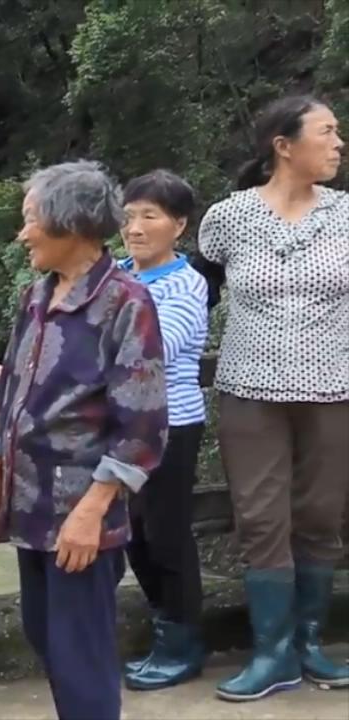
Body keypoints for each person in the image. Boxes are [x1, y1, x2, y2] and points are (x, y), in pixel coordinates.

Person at [0, 161, 168, 720]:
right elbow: (10, 391)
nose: (22, 233)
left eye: (30, 219)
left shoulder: (126, 302)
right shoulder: (37, 295)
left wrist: (93, 512)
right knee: (45, 637)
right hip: (29, 505)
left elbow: (144, 423)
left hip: (82, 511)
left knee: (81, 658)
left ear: (71, 224)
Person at [198, 95, 348, 701]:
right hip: (249, 395)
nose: (339, 144)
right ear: (283, 147)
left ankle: (311, 643)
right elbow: (193, 294)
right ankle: (272, 653)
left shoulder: (347, 215)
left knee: (320, 518)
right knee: (261, 520)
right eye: (328, 133)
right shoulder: (228, 217)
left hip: (335, 391)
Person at [115, 170, 211, 691]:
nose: (135, 227)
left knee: (166, 536)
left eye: (149, 216)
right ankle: (163, 630)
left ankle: (183, 643)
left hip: (171, 425)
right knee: (133, 535)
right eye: (129, 216)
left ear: (178, 225)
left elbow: (156, 348)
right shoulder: (116, 274)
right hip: (123, 428)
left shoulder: (186, 283)